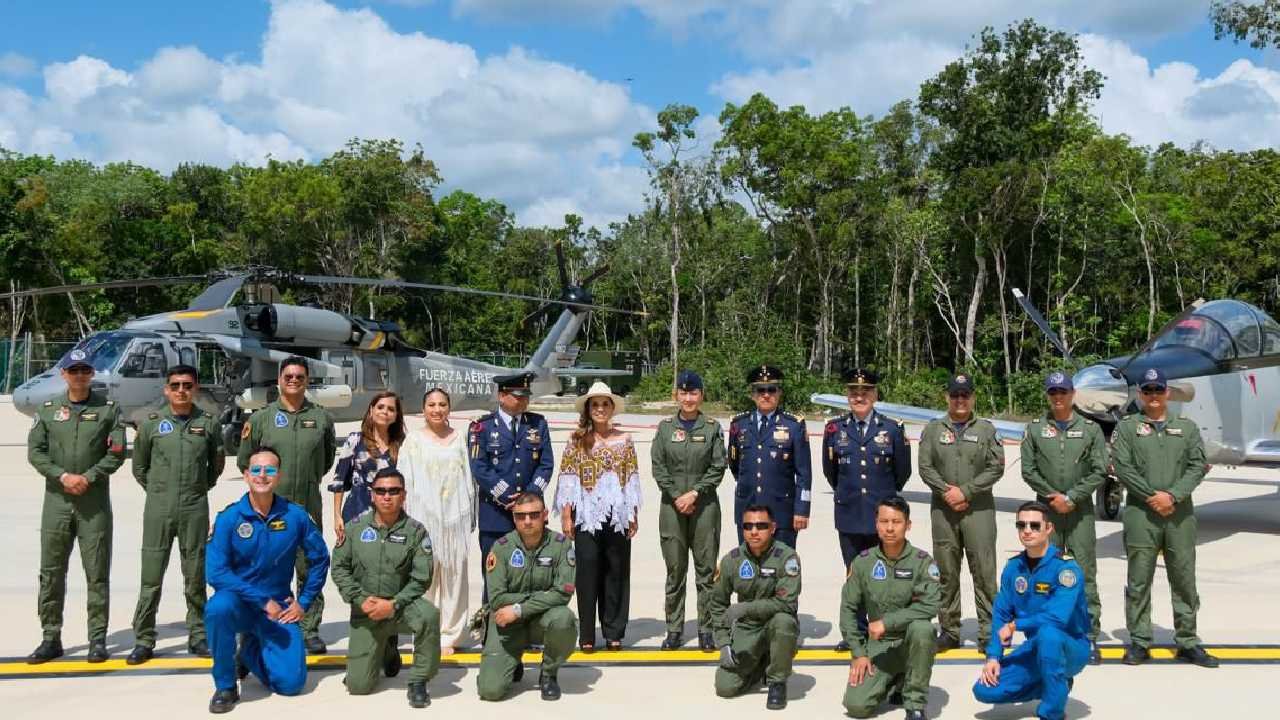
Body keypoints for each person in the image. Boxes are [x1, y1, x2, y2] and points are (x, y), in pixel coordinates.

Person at [205, 446, 330, 714]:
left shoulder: (294, 516)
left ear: (279, 476)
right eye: (257, 470)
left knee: (291, 684)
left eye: (270, 470)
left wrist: (304, 603)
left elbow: (319, 559)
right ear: (246, 475)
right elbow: (216, 573)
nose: (263, 475)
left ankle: (249, 653)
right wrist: (262, 601)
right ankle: (226, 686)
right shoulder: (229, 519)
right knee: (217, 608)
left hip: (279, 608)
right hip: (240, 604)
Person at [1112, 367, 1218, 668]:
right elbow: (1123, 467)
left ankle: (1187, 640)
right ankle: (1140, 640)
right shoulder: (1128, 428)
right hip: (1140, 514)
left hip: (1179, 514)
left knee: (1184, 577)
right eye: (1148, 391)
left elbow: (1198, 465)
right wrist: (1152, 497)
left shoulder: (1187, 428)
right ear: (1140, 395)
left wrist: (1171, 496)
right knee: (1139, 578)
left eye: (1159, 390)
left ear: (1168, 393)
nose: (1154, 396)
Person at [26, 349, 127, 663]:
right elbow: (36, 452)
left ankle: (97, 639)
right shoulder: (47, 410)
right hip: (57, 501)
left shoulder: (108, 410)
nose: (80, 375)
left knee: (96, 573)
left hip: (93, 503)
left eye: (85, 370)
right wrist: (63, 476)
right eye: (74, 370)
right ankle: (50, 637)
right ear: (64, 374)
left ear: (92, 374)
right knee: (51, 572)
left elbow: (117, 452)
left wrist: (89, 476)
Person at [236, 357, 337, 654]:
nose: (294, 380)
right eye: (289, 376)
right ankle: (264, 623)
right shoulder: (261, 419)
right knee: (265, 566)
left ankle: (309, 628)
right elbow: (246, 460)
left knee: (309, 565)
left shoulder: (320, 418)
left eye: (300, 377)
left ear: (307, 381)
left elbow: (326, 458)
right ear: (279, 380)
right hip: (269, 506)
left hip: (307, 504)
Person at [127, 365, 226, 664]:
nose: (181, 390)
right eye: (175, 385)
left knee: (195, 574)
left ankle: (198, 635)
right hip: (158, 508)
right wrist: (160, 491)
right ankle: (144, 638)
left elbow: (215, 466)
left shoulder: (208, 424)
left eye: (187, 385)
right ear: (166, 389)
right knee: (151, 576)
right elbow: (139, 467)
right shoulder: (151, 424)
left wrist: (196, 489)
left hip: (194, 506)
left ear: (195, 388)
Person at [331, 468, 442, 708]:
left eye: (394, 491)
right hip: (367, 608)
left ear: (404, 495)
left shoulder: (416, 531)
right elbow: (339, 569)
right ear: (372, 495)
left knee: (429, 616)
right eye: (380, 491)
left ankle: (419, 680)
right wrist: (359, 599)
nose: (387, 496)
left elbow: (422, 578)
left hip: (402, 605)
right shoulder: (354, 529)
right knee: (358, 687)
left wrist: (394, 604)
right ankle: (387, 649)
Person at [973, 502, 1091, 720]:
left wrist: (1016, 625)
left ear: (1049, 529)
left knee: (1049, 634)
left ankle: (1052, 712)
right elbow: (1001, 614)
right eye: (1021, 525)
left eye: (1035, 525)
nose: (1027, 530)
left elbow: (1056, 618)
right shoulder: (1014, 568)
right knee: (984, 689)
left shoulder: (1066, 570)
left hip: (1071, 646)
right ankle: (1055, 685)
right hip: (1036, 648)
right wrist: (993, 656)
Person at [1020, 371, 1107, 664]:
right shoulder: (1034, 429)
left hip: (1080, 512)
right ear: (1048, 395)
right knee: (1043, 573)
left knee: (1084, 573)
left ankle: (1089, 634)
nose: (1058, 397)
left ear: (1072, 395)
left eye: (1063, 392)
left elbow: (1099, 470)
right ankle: (1041, 635)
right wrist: (1053, 496)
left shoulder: (1091, 429)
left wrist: (1072, 497)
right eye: (1053, 392)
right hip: (1047, 513)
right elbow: (1028, 470)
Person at [822, 367, 910, 651]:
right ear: (847, 396)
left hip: (882, 518)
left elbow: (901, 473)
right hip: (849, 514)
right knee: (853, 576)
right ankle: (855, 633)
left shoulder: (892, 428)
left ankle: (884, 629)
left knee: (885, 576)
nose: (859, 397)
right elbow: (830, 472)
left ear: (875, 394)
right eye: (854, 392)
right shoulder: (835, 429)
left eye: (865, 392)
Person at [917, 373, 1004, 652]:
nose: (960, 400)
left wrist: (965, 491)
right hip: (943, 511)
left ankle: (989, 631)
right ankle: (949, 629)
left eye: (965, 395)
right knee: (946, 572)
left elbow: (996, 466)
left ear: (973, 397)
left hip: (978, 509)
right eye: (955, 395)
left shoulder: (987, 430)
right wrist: (947, 492)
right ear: (947, 397)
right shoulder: (933, 429)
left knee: (984, 571)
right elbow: (925, 466)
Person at [554, 381, 642, 651]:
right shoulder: (576, 440)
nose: (601, 409)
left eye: (605, 404)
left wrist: (633, 514)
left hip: (617, 515)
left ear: (612, 408)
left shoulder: (625, 440)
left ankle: (614, 631)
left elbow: (632, 479)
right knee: (587, 572)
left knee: (616, 571)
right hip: (586, 516)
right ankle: (587, 634)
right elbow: (568, 478)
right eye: (596, 404)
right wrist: (567, 516)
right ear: (588, 409)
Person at [842, 496, 940, 720]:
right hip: (880, 647)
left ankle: (914, 702)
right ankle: (895, 679)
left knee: (923, 629)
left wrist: (887, 622)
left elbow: (931, 605)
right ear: (876, 524)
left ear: (908, 525)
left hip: (910, 643)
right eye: (884, 521)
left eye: (896, 522)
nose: (889, 528)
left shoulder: (922, 562)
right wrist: (858, 653)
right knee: (856, 706)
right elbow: (847, 609)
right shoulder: (863, 563)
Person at [476, 492, 577, 702]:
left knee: (563, 619)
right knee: (490, 691)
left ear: (545, 514)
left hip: (541, 619)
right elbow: (496, 600)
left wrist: (519, 608)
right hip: (507, 623)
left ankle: (548, 673)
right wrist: (540, 597)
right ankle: (512, 660)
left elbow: (563, 593)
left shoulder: (561, 545)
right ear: (514, 518)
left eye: (534, 514)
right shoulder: (501, 548)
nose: (528, 521)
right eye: (521, 516)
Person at [651, 369, 726, 651]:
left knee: (706, 571)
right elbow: (658, 467)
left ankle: (706, 629)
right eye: (683, 393)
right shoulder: (665, 428)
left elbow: (718, 466)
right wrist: (676, 496)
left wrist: (695, 493)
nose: (689, 398)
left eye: (693, 393)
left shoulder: (712, 428)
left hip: (704, 506)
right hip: (672, 508)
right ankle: (674, 629)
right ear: (676, 395)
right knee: (675, 570)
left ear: (701, 395)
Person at [399, 387, 476, 654]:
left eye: (442, 404)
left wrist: (468, 516)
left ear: (449, 409)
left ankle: (451, 634)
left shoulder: (459, 439)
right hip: (423, 519)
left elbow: (468, 479)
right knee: (424, 578)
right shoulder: (413, 441)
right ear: (423, 409)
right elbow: (404, 479)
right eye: (431, 404)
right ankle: (425, 632)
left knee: (455, 577)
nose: (437, 409)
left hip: (454, 519)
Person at [469, 371, 554, 601]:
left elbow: (546, 465)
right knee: (494, 573)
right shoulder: (481, 428)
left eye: (526, 395)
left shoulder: (538, 424)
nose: (523, 400)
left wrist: (529, 497)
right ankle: (491, 629)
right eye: (517, 395)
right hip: (496, 515)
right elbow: (479, 468)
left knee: (531, 574)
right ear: (501, 396)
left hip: (530, 516)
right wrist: (506, 495)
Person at [709, 505, 802, 711]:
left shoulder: (787, 558)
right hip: (747, 629)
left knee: (784, 622)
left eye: (761, 526)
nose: (754, 531)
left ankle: (777, 681)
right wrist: (723, 642)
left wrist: (745, 608)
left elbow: (786, 604)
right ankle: (759, 664)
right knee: (725, 687)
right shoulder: (731, 561)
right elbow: (717, 604)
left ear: (773, 528)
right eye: (748, 526)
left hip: (775, 622)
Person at [728, 365, 812, 550]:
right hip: (748, 510)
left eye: (771, 390)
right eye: (760, 390)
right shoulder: (739, 424)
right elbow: (735, 466)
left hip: (781, 512)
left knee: (781, 567)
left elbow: (804, 473)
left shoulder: (794, 426)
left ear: (779, 393)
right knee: (748, 568)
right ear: (753, 394)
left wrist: (801, 509)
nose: (766, 395)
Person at [329, 391, 405, 544]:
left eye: (391, 409)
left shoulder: (403, 445)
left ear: (396, 415)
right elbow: (339, 481)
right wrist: (337, 515)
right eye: (380, 407)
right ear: (371, 410)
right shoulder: (355, 440)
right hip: (357, 513)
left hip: (392, 516)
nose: (385, 412)